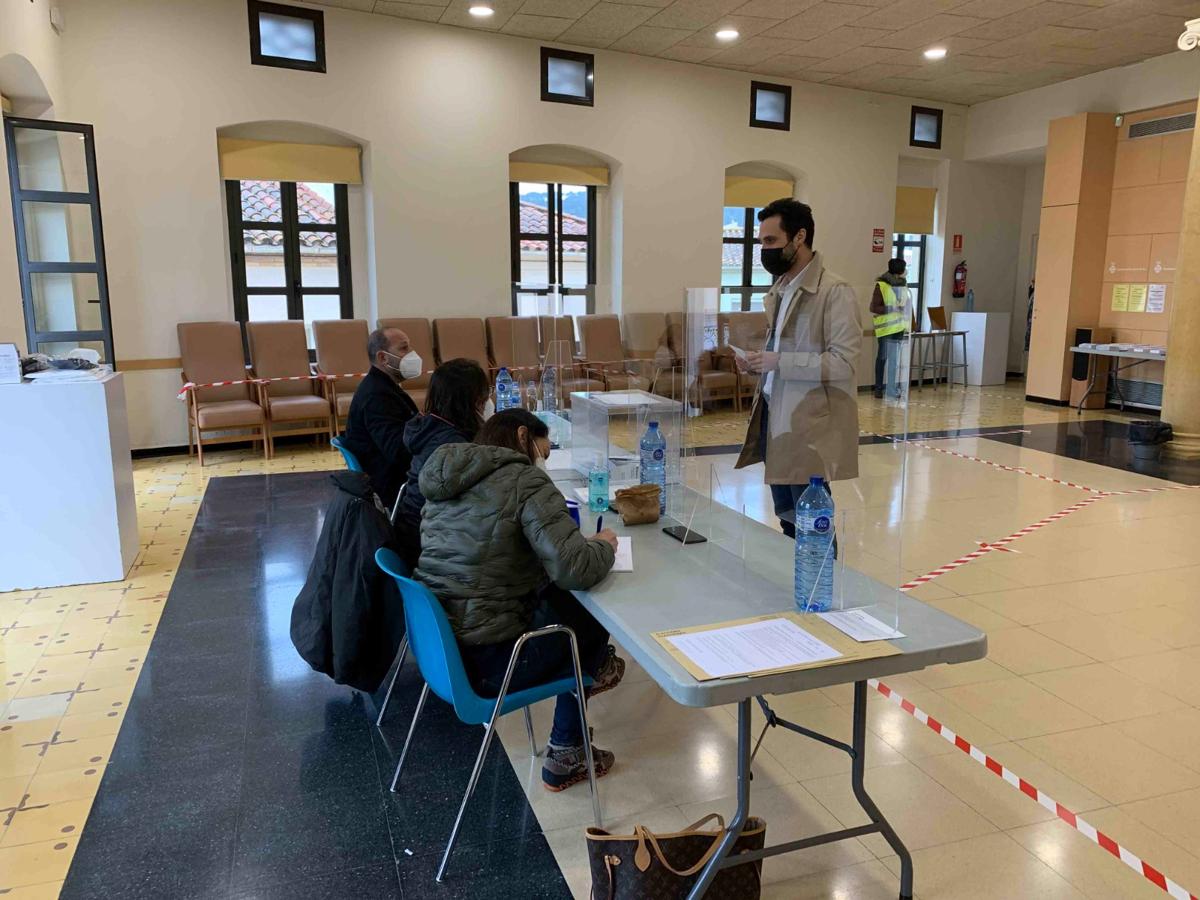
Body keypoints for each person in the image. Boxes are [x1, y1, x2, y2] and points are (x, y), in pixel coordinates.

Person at [417, 409, 625, 792]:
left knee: (559, 604)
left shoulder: (442, 483)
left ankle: (595, 674)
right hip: (495, 661)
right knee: (586, 613)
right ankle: (569, 743)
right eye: (542, 452)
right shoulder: (525, 480)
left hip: (444, 652)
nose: (541, 462)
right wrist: (604, 547)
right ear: (522, 435)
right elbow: (575, 569)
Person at [734, 198, 862, 537]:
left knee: (812, 524)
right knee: (788, 518)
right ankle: (793, 586)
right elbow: (785, 350)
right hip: (777, 417)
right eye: (761, 242)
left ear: (799, 237)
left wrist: (780, 362)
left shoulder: (835, 291)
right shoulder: (781, 290)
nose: (765, 250)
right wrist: (757, 363)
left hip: (809, 426)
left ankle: (819, 588)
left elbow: (844, 362)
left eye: (771, 241)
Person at [393, 358, 492, 568]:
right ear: (475, 401)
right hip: (431, 549)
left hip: (412, 534)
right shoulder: (454, 447)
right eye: (485, 395)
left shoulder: (430, 428)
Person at [341, 327, 422, 510]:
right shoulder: (377, 396)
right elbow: (398, 452)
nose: (412, 354)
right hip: (390, 485)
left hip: (389, 475)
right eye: (404, 348)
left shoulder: (384, 387)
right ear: (383, 358)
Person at [870, 257, 911, 400]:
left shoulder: (903, 286)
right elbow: (874, 307)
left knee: (894, 361)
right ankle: (878, 389)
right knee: (882, 359)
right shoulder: (881, 285)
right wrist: (892, 308)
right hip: (886, 330)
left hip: (899, 329)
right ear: (899, 270)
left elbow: (907, 305)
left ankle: (891, 389)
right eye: (904, 268)